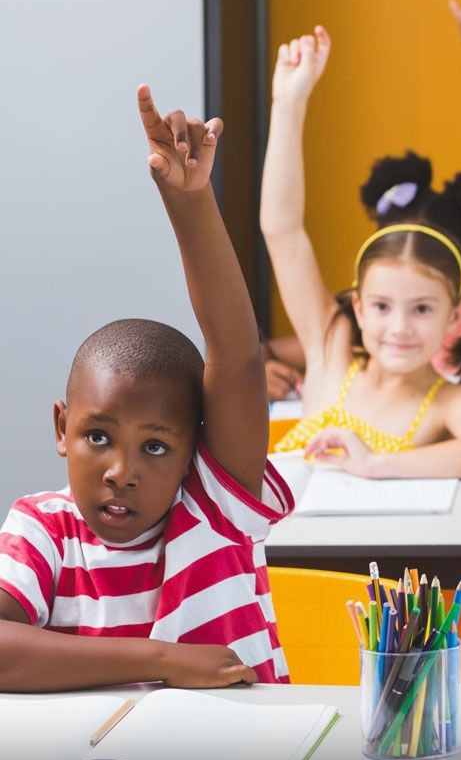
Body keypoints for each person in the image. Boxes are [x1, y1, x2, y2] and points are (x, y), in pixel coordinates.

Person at [0, 87, 291, 692]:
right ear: (62, 428)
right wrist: (157, 658)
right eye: (97, 436)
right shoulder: (42, 529)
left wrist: (190, 201)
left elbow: (237, 357)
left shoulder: (215, 508)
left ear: (195, 452)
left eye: (156, 447)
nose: (120, 470)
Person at [260, 31, 461, 479]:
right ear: (357, 306)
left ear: (456, 317)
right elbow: (281, 229)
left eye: (421, 309)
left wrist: (375, 464)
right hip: (291, 551)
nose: (399, 328)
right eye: (381, 306)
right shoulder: (331, 346)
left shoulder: (452, 402)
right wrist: (288, 103)